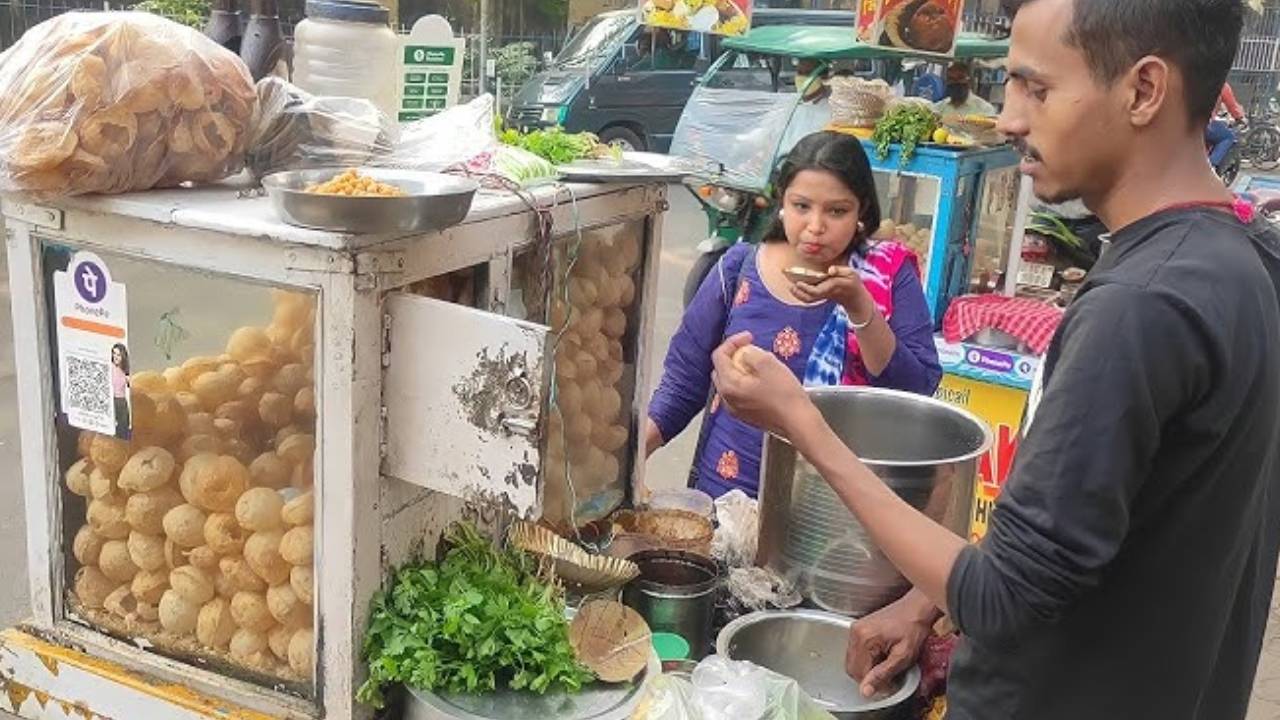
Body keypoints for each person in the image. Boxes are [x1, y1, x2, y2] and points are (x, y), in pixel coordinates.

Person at [711, 0, 1280, 718]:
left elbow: (1001, 599)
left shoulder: (1140, 306)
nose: (1008, 119)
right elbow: (1086, 537)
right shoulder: (1242, 259)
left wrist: (801, 422)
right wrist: (922, 604)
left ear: (1143, 90)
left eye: (1036, 89)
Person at [646, 131, 941, 499]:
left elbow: (916, 391)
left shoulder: (887, 275)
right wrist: (629, 461)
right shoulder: (738, 269)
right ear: (781, 201)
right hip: (725, 498)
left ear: (861, 210)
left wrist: (859, 306)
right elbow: (683, 382)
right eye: (802, 206)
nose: (815, 226)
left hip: (832, 511)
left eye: (836, 211)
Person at [1207, 82, 1246, 168]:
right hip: (1204, 124)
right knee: (1228, 137)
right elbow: (1232, 106)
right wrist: (1240, 117)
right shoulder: (1221, 84)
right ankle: (1210, 166)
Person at [110, 343, 131, 438]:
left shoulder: (125, 370)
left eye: (118, 354)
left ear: (123, 356)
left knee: (124, 429)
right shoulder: (110, 367)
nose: (115, 356)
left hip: (122, 402)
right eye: (114, 353)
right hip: (112, 400)